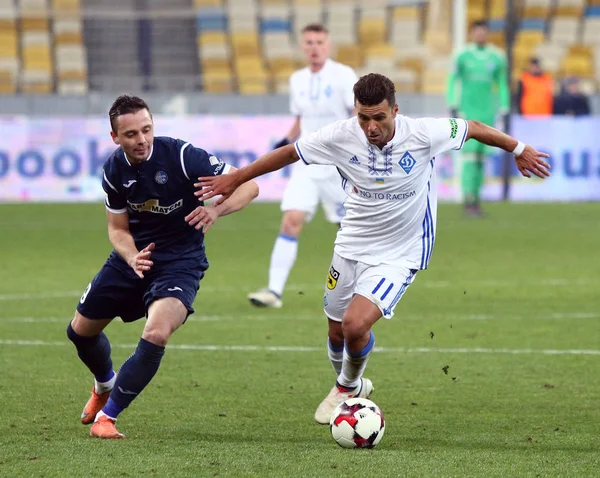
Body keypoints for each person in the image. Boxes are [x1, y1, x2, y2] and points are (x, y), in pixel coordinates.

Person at [194, 73, 550, 424]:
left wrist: (520, 149)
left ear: (395, 110)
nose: (371, 126)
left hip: (400, 253)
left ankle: (345, 387)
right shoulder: (340, 136)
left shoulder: (423, 134)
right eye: (363, 117)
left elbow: (472, 126)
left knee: (354, 325)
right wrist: (237, 177)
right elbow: (290, 153)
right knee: (335, 331)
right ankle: (355, 382)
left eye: (379, 117)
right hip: (350, 244)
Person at [67, 95, 258, 439]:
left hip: (180, 263)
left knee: (156, 332)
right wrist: (130, 257)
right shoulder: (113, 171)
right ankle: (104, 384)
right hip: (134, 259)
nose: (141, 140)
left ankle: (107, 419)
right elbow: (118, 229)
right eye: (130, 134)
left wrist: (216, 210)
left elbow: (250, 185)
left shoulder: (183, 156)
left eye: (146, 130)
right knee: (79, 331)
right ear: (115, 138)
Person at [247, 22, 358, 309]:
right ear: (302, 46)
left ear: (329, 45)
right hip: (307, 163)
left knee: (349, 227)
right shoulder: (297, 79)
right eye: (309, 42)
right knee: (290, 220)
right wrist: (284, 142)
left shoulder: (344, 75)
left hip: (338, 166)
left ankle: (364, 288)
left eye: (319, 42)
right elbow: (300, 119)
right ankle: (274, 291)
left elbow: (357, 113)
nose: (314, 48)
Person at [446, 19, 510, 217]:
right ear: (472, 34)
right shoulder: (462, 55)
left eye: (484, 32)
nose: (480, 35)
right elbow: (452, 80)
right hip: (468, 113)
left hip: (487, 114)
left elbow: (502, 83)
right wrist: (453, 104)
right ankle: (468, 198)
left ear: (487, 33)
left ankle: (476, 199)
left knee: (481, 159)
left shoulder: (497, 57)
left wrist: (505, 107)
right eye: (477, 32)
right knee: (469, 158)